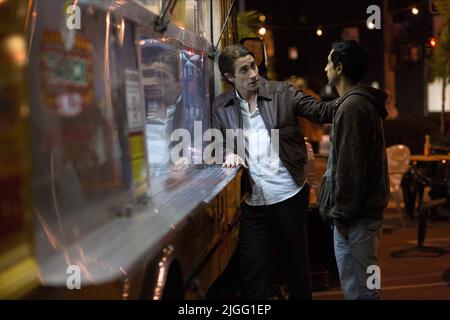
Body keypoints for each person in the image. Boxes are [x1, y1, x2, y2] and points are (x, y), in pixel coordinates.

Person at [211, 44, 336, 300]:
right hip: (253, 203)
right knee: (253, 274)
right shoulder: (221, 106)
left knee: (297, 271)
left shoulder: (282, 92)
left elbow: (320, 111)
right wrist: (227, 153)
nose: (253, 74)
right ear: (229, 78)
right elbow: (218, 141)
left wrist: (354, 97)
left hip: (289, 195)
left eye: (253, 65)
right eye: (243, 70)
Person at [298, 40, 389, 300]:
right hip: (362, 217)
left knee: (361, 290)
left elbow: (349, 169)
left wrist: (341, 215)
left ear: (339, 67)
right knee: (366, 285)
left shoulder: (352, 108)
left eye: (329, 62)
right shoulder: (356, 103)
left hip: (355, 220)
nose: (325, 67)